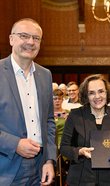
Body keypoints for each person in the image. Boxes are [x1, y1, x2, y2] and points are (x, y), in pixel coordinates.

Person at [0, 18, 56, 185]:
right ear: (11, 39)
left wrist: (49, 160)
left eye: (36, 38)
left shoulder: (45, 75)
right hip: (5, 167)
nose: (30, 42)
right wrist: (15, 144)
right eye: (24, 36)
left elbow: (49, 121)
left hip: (39, 167)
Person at [60, 74, 110, 185]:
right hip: (81, 178)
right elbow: (64, 147)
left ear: (107, 92)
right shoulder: (75, 115)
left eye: (101, 91)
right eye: (92, 93)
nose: (97, 96)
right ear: (86, 95)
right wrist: (79, 151)